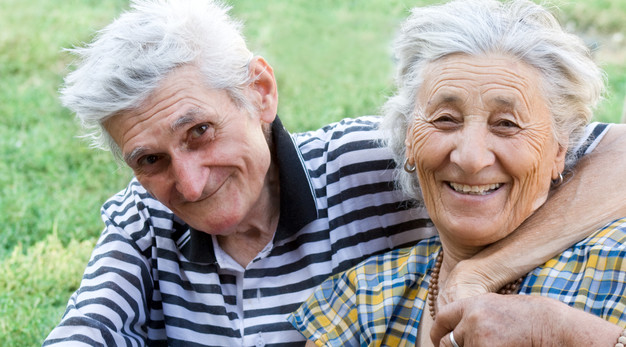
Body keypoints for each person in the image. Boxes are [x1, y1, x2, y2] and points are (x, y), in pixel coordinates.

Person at [44, 0, 626, 346]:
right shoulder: (362, 298)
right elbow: (85, 330)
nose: (192, 184)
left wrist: (503, 289)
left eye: (201, 132)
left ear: (260, 92)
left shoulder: (363, 158)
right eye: (151, 160)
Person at [288, 0, 626, 346]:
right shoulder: (365, 298)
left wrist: (561, 334)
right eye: (445, 119)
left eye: (506, 124)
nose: (470, 158)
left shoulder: (615, 265)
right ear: (409, 139)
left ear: (559, 151)